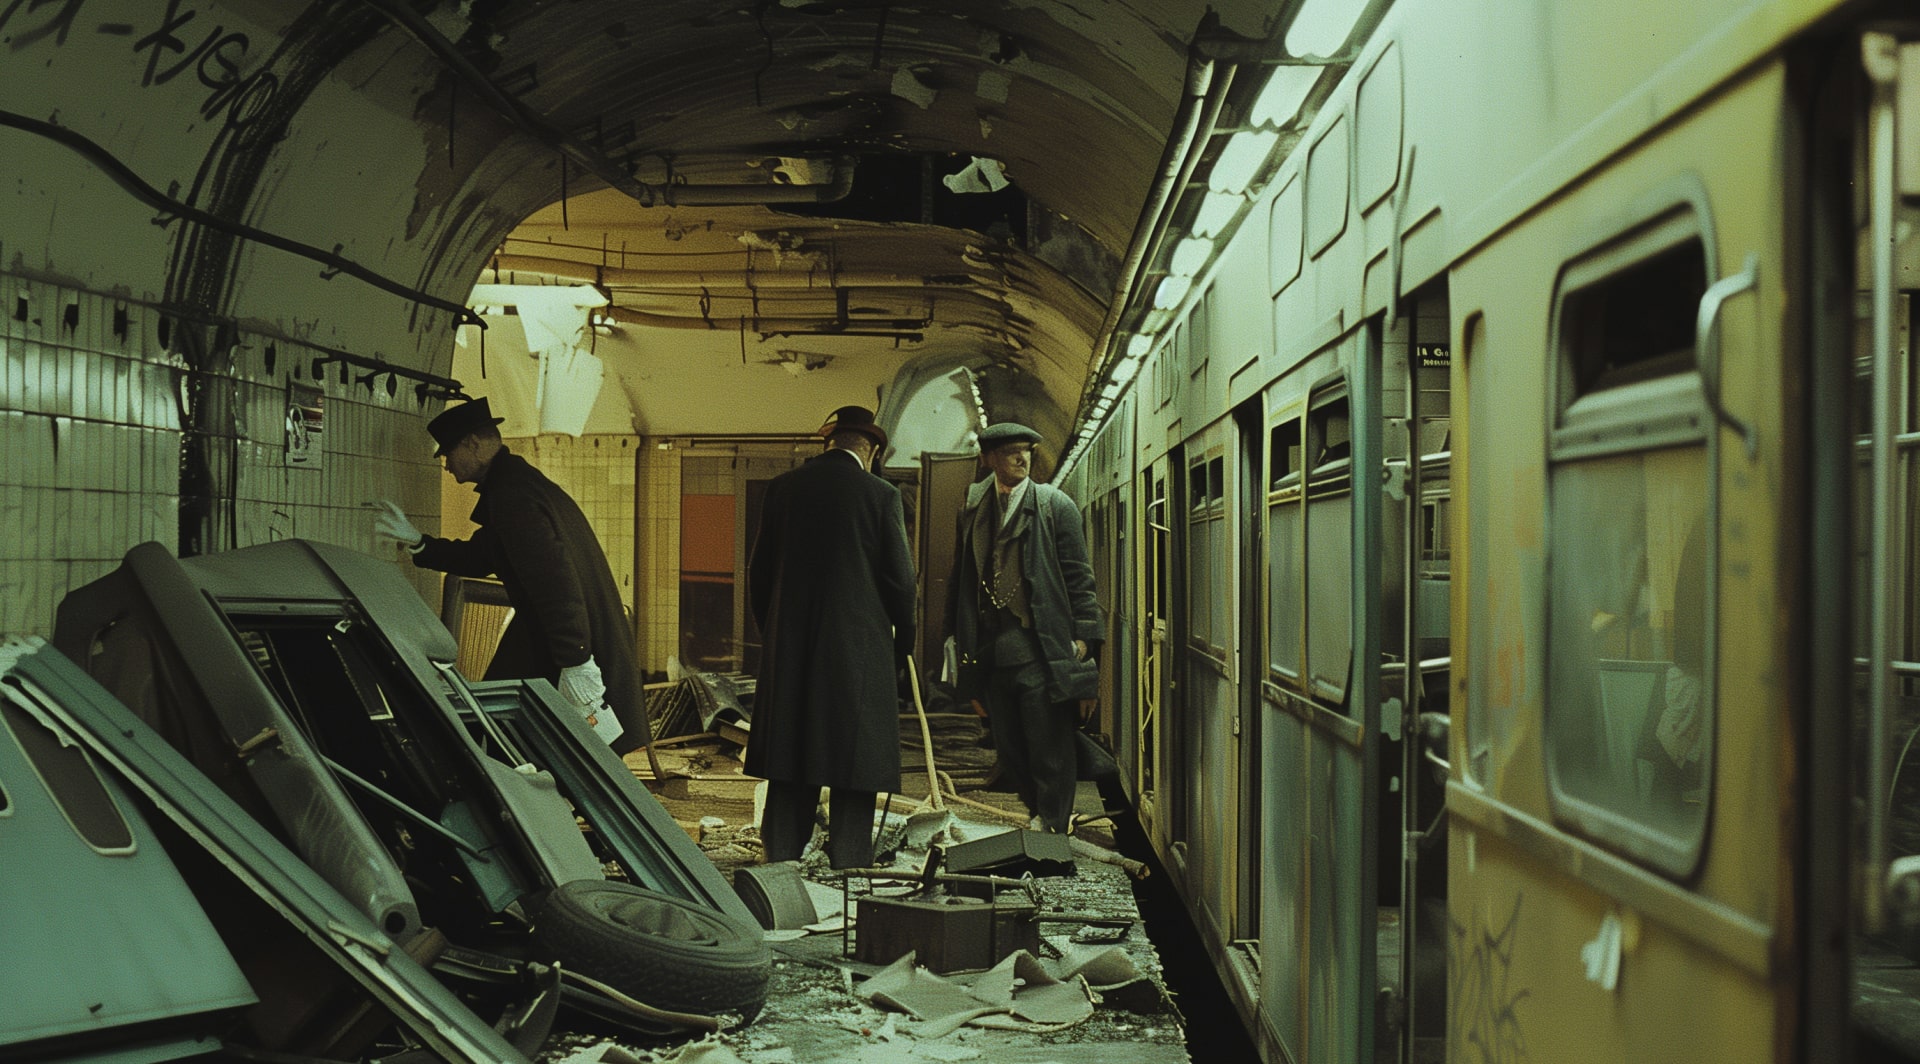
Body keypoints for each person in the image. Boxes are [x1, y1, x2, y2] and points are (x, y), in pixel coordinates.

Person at [371, 397, 649, 754]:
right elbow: (482, 556)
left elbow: (555, 585)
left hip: (568, 646)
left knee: (526, 746)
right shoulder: (516, 485)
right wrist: (418, 542)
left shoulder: (512, 496)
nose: (446, 465)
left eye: (448, 453)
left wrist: (577, 661)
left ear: (473, 444)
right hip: (565, 639)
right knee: (531, 744)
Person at [747, 405, 917, 869]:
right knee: (853, 761)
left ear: (829, 441)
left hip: (790, 650)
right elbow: (901, 582)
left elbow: (759, 574)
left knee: (790, 756)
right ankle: (849, 864)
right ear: (872, 449)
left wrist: (776, 636)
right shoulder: (881, 495)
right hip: (858, 652)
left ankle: (780, 861)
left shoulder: (782, 489)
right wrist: (901, 647)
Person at [948, 421, 1102, 834]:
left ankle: (1052, 825)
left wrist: (1085, 640)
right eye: (1011, 452)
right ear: (988, 459)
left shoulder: (1055, 507)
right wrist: (954, 639)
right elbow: (962, 578)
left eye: (1027, 451)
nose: (1022, 458)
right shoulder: (974, 510)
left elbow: (1079, 578)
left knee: (1049, 747)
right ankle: (1039, 814)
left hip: (1040, 647)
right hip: (993, 650)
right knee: (1010, 750)